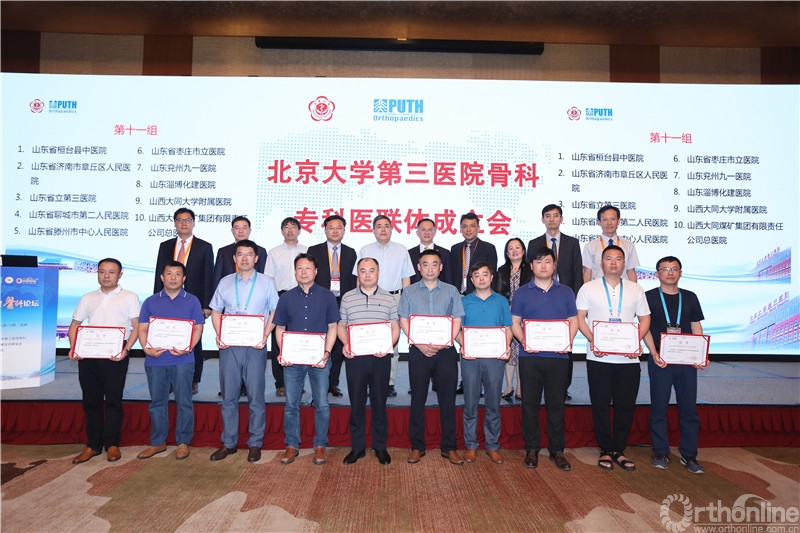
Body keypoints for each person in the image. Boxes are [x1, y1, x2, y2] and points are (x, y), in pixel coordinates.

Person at [576, 244, 650, 471]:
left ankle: (619, 449)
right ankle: (605, 449)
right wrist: (593, 341)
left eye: (618, 258)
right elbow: (580, 318)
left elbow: (645, 319)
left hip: (628, 360)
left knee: (625, 406)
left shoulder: (636, 289)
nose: (614, 262)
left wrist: (634, 341)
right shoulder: (588, 288)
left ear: (624, 263)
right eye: (609, 258)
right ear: (601, 263)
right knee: (600, 405)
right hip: (598, 358)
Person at [207, 240, 278, 463]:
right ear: (234, 258)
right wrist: (220, 334)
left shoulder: (267, 282)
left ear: (256, 258)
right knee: (229, 396)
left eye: (249, 254)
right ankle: (229, 443)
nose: (245, 258)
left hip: (255, 346)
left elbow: (274, 311)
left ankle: (255, 443)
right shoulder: (225, 282)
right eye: (240, 254)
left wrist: (265, 335)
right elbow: (216, 311)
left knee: (256, 396)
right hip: (230, 346)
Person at [510, 247, 578, 471]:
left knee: (556, 404)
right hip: (529, 357)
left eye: (547, 261)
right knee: (529, 404)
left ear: (554, 265)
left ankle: (557, 450)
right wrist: (525, 342)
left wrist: (566, 342)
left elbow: (574, 321)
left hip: (558, 357)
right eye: (538, 262)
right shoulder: (522, 293)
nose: (543, 265)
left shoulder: (566, 292)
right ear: (531, 266)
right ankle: (532, 448)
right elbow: (515, 322)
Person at [68, 258, 140, 464]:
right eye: (102, 271)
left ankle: (112, 444)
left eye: (111, 272)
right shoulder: (87, 297)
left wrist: (126, 349)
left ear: (120, 274)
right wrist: (74, 347)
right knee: (91, 400)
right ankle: (93, 445)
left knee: (114, 400)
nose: (106, 275)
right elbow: (74, 325)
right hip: (89, 354)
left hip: (115, 354)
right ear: (97, 273)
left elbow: (136, 326)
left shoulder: (129, 297)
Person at [399, 249, 465, 465]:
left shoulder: (452, 291)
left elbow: (457, 320)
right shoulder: (409, 292)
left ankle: (449, 447)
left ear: (441, 267)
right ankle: (417, 446)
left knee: (448, 400)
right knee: (417, 399)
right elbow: (403, 320)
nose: (430, 268)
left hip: (445, 351)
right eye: (425, 264)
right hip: (418, 351)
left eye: (434, 264)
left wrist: (444, 341)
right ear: (419, 268)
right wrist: (419, 343)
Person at [274, 253, 340, 466]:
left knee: (322, 404)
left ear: (316, 271)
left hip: (319, 359)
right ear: (295, 272)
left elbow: (333, 326)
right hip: (293, 362)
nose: (303, 272)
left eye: (308, 268)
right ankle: (291, 444)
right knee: (291, 405)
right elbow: (280, 328)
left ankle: (320, 444)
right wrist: (284, 351)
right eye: (300, 268)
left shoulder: (327, 296)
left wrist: (327, 352)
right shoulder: (286, 297)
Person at [642, 256, 706, 474]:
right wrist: (653, 352)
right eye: (665, 269)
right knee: (659, 407)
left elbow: (696, 326)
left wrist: (700, 355)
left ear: (680, 272)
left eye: (674, 269)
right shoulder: (649, 297)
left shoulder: (690, 297)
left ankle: (689, 455)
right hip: (661, 360)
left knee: (689, 409)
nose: (670, 272)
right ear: (657, 274)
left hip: (687, 362)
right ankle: (660, 452)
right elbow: (645, 328)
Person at [136, 260, 204, 461]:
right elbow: (142, 328)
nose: (173, 278)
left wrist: (188, 347)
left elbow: (198, 328)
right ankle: (158, 442)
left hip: (183, 360)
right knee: (157, 402)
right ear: (162, 277)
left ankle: (183, 442)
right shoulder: (150, 301)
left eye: (177, 274)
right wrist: (146, 348)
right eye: (169, 273)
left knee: (184, 401)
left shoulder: (192, 301)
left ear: (184, 278)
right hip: (156, 361)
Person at [337, 257, 401, 465]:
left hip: (380, 358)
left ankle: (380, 447)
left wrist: (388, 345)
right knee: (356, 403)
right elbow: (341, 325)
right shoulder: (347, 297)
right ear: (358, 273)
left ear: (378, 273)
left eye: (371, 270)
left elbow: (395, 327)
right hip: (355, 358)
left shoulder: (389, 298)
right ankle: (357, 448)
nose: (367, 274)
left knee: (379, 403)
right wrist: (346, 343)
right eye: (363, 270)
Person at [154, 207, 214, 395]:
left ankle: (193, 380)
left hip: (193, 301)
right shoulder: (165, 246)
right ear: (175, 223)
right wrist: (156, 300)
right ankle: (170, 379)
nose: (184, 223)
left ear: (193, 223)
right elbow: (159, 274)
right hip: (168, 299)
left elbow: (208, 276)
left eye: (188, 220)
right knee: (168, 337)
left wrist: (206, 304)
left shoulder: (204, 246)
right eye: (180, 220)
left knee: (194, 341)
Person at [457, 262, 512, 465]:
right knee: (470, 403)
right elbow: (456, 330)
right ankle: (471, 445)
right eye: (477, 275)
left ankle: (492, 445)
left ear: (491, 277)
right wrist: (465, 345)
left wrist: (505, 346)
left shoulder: (501, 302)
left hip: (494, 359)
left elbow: (508, 328)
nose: (481, 278)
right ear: (471, 280)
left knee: (493, 403)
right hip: (470, 359)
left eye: (485, 274)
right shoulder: (463, 301)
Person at [527, 204, 584, 400]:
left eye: (555, 215)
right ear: (542, 219)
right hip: (540, 298)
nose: (552, 219)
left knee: (565, 342)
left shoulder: (572, 243)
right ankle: (540, 384)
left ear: (561, 218)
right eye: (548, 216)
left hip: (564, 298)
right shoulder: (534, 243)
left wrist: (575, 300)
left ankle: (563, 386)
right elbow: (530, 272)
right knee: (541, 338)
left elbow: (577, 271)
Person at [355, 215, 415, 397]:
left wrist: (405, 301)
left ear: (391, 229)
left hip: (394, 298)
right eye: (379, 226)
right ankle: (368, 381)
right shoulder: (365, 250)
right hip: (369, 297)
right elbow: (359, 277)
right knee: (368, 339)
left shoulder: (401, 249)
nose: (383, 229)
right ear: (373, 230)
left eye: (386, 226)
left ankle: (389, 382)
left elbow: (406, 278)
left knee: (392, 343)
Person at [307, 215, 357, 398]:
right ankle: (318, 382)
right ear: (325, 230)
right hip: (320, 301)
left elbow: (353, 280)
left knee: (338, 345)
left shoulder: (351, 252)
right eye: (331, 227)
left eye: (339, 227)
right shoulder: (314, 250)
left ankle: (333, 383)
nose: (335, 231)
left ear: (344, 230)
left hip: (342, 302)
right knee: (320, 341)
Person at [265, 217, 308, 396]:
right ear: (282, 231)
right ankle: (281, 383)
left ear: (299, 230)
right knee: (279, 341)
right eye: (286, 227)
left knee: (300, 339)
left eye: (294, 227)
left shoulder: (307, 251)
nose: (290, 230)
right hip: (280, 297)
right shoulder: (274, 252)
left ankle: (299, 382)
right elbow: (269, 279)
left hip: (303, 297)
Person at [492, 237, 532, 403]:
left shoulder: (531, 269)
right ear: (507, 253)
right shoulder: (501, 270)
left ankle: (521, 386)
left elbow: (532, 292)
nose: (514, 251)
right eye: (511, 248)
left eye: (517, 247)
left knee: (521, 351)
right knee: (508, 351)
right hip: (507, 315)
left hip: (526, 316)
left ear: (523, 251)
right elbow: (498, 293)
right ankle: (509, 385)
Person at [582, 205, 640, 283]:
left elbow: (631, 272)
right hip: (598, 288)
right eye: (605, 219)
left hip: (623, 288)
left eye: (612, 219)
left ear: (618, 221)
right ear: (599, 222)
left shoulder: (629, 245)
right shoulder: (590, 246)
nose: (609, 223)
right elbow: (587, 273)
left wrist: (634, 289)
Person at [450, 212, 498, 296]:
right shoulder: (455, 249)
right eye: (465, 226)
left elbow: (492, 275)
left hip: (479, 295)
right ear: (461, 229)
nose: (468, 229)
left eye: (472, 226)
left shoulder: (489, 248)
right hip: (457, 295)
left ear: (478, 228)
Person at [213, 216, 267, 287]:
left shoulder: (260, 251)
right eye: (237, 228)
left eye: (244, 228)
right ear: (232, 231)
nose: (241, 231)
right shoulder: (223, 252)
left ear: (250, 230)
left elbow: (263, 275)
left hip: (254, 289)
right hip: (229, 290)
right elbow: (217, 277)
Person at [408, 218, 451, 285]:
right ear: (417, 233)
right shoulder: (409, 254)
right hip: (415, 290)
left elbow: (448, 278)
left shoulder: (445, 253)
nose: (427, 232)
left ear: (435, 232)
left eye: (430, 229)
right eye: (423, 229)